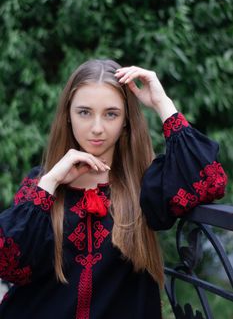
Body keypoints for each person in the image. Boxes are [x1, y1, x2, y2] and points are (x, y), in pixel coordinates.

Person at [0, 59, 227, 319]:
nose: (97, 128)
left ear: (126, 121)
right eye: (84, 112)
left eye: (111, 114)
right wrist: (50, 183)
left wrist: (162, 103)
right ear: (68, 117)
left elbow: (210, 179)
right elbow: (8, 262)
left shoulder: (144, 184)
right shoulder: (41, 185)